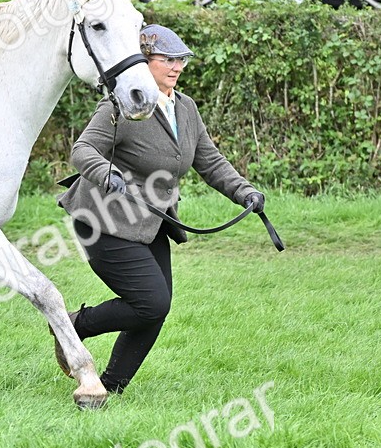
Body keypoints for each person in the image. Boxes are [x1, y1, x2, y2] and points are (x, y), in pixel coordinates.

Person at [54, 24, 265, 396]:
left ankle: (111, 387)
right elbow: (82, 150)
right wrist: (107, 173)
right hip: (103, 220)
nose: (176, 66)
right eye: (166, 59)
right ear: (143, 61)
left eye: (180, 59)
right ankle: (73, 326)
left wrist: (244, 192)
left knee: (155, 307)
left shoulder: (185, 107)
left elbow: (210, 161)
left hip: (149, 223)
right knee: (151, 302)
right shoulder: (120, 106)